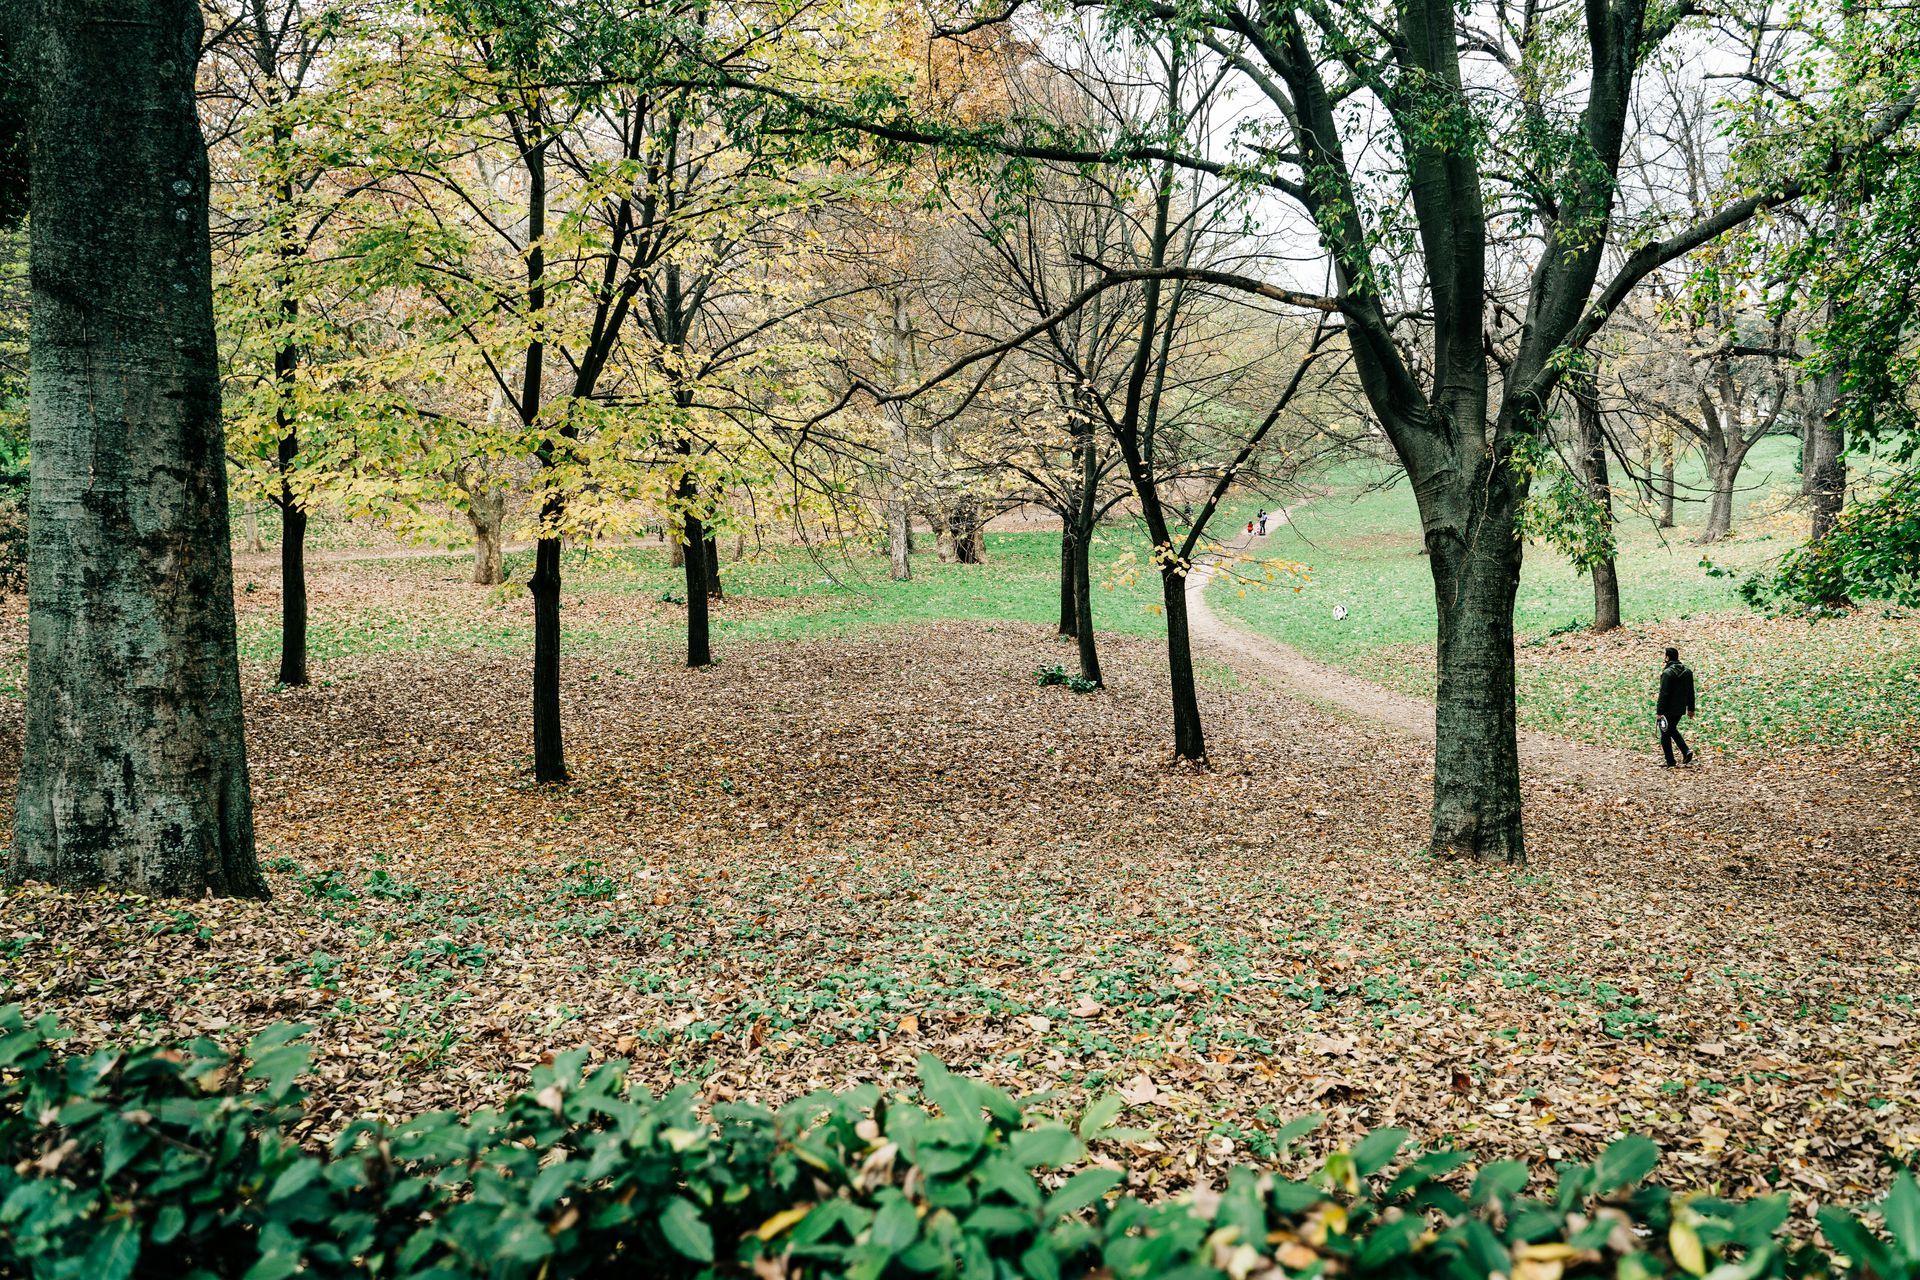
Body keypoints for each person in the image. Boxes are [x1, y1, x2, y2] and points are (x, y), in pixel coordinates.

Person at [1656, 646, 1696, 767]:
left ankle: (1671, 761)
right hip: (1680, 709)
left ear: (1667, 657)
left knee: (1665, 733)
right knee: (1671, 729)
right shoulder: (1688, 672)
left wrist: (1659, 711)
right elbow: (1691, 691)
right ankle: (1685, 752)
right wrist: (1691, 708)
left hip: (1667, 709)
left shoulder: (1667, 673)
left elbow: (1664, 693)